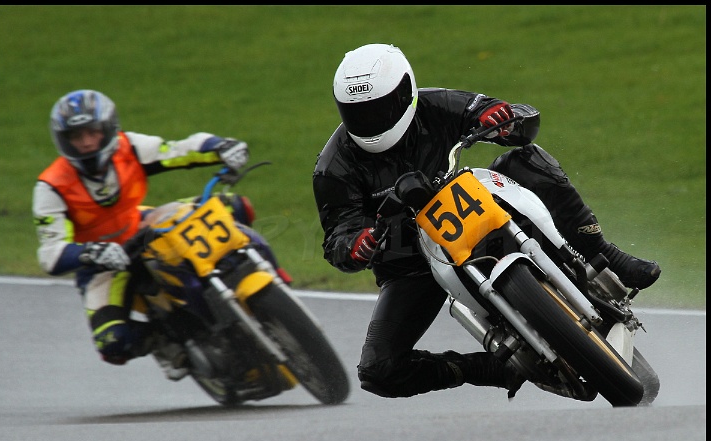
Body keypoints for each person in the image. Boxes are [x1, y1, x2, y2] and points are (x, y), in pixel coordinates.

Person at [312, 43, 661, 399]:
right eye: (359, 113)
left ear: (406, 93)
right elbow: (338, 238)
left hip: (477, 207)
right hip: (411, 264)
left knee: (526, 159)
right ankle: (489, 367)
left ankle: (605, 253)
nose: (372, 121)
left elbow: (501, 114)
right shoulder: (333, 168)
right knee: (377, 371)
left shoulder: (436, 104)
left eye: (380, 109)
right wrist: (359, 244)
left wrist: (500, 120)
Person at [33, 89, 252, 380]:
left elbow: (178, 150)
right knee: (112, 343)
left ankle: (259, 276)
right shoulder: (51, 187)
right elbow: (50, 254)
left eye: (92, 132)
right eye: (76, 136)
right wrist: (91, 252)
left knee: (234, 207)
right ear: (64, 140)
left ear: (107, 128)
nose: (86, 142)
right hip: (101, 263)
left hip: (142, 226)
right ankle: (166, 342)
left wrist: (222, 147)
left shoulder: (129, 147)